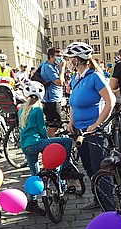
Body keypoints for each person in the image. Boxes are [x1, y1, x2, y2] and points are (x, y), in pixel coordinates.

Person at [64, 42, 116, 209]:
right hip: (79, 131)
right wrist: (71, 121)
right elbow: (72, 103)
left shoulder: (95, 77)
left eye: (71, 59)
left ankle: (108, 204)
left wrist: (97, 124)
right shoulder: (75, 78)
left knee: (100, 168)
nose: (69, 62)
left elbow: (111, 101)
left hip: (95, 132)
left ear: (77, 60)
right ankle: (97, 198)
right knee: (88, 166)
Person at [19, 81, 82, 216]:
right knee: (66, 142)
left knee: (34, 174)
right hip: (37, 142)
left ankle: (32, 203)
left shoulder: (22, 109)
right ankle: (65, 168)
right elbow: (42, 129)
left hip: (26, 146)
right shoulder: (37, 109)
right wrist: (47, 140)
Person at [41, 47, 66, 137]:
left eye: (62, 56)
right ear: (51, 56)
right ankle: (51, 145)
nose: (61, 58)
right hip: (51, 100)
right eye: (58, 56)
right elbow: (59, 82)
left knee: (56, 124)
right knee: (53, 126)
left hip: (53, 98)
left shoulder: (47, 65)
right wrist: (62, 68)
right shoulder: (48, 67)